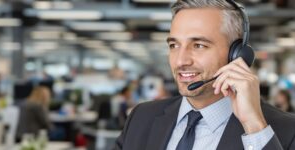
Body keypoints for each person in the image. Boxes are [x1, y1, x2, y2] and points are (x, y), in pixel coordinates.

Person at [113, 0, 295, 150]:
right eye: (174, 45)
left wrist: (255, 128)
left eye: (199, 45)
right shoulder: (141, 117)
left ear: (237, 54)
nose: (180, 61)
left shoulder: (287, 131)